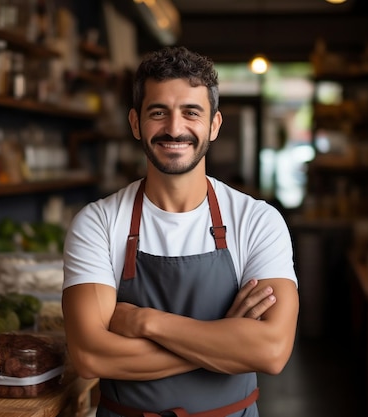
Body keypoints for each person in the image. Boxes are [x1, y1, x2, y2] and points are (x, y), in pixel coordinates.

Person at [62, 46, 299, 417]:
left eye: (191, 112)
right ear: (136, 123)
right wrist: (225, 339)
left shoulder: (257, 221)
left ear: (214, 125)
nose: (175, 128)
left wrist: (146, 322)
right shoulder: (98, 224)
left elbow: (271, 351)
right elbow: (91, 357)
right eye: (158, 112)